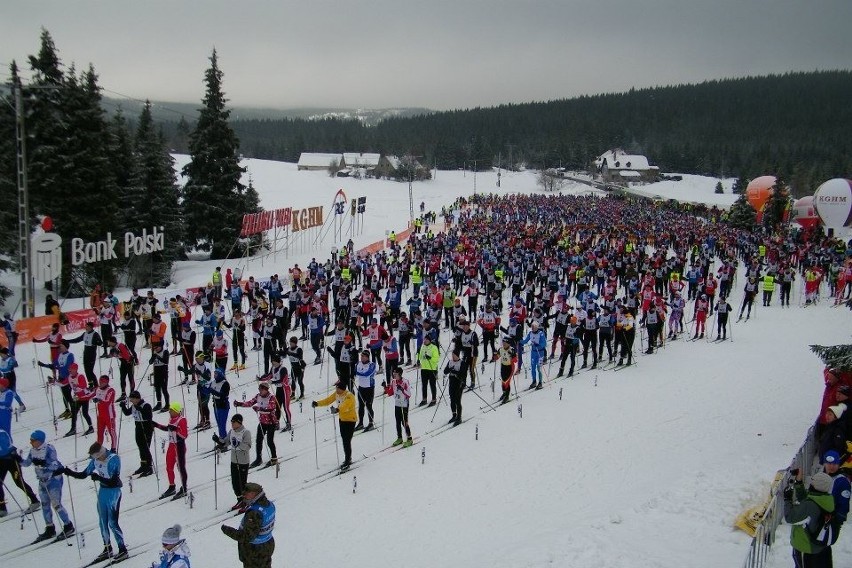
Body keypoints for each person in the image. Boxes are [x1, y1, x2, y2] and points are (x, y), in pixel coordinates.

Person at [58, 442, 128, 563]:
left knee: (112, 522)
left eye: (95, 456)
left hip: (113, 493)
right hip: (103, 492)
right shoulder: (96, 460)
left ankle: (122, 549)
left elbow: (114, 481)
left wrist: (99, 478)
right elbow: (84, 474)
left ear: (100, 453)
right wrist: (68, 471)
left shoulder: (113, 459)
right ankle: (107, 548)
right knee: (102, 522)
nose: (95, 459)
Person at [20, 429, 74, 542]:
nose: (31, 442)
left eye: (33, 440)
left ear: (39, 440)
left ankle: (68, 525)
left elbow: (55, 465)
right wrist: (17, 458)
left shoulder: (49, 449)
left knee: (56, 504)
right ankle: (50, 528)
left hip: (53, 480)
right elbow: (27, 463)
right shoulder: (33, 451)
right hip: (42, 481)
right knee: (45, 505)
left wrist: (44, 464)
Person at [783, 470, 836, 568]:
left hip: (806, 547)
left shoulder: (810, 506)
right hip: (819, 546)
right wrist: (798, 482)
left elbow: (790, 517)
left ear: (815, 486)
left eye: (812, 481)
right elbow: (807, 499)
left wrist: (787, 500)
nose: (810, 482)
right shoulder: (826, 499)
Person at [221, 482, 275, 568]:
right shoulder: (269, 505)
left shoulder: (254, 513)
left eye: (246, 493)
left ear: (254, 494)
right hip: (267, 546)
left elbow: (247, 537)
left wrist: (228, 531)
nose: (244, 495)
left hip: (254, 552)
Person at [312, 380, 357, 471]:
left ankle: (348, 460)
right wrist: (317, 403)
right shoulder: (337, 394)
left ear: (342, 389)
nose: (336, 389)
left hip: (350, 420)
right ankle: (348, 458)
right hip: (342, 420)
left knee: (346, 440)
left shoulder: (349, 396)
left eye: (337, 388)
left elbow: (345, 406)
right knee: (344, 440)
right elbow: (328, 400)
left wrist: (337, 410)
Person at [235, 383, 278, 469]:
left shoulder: (271, 398)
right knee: (258, 441)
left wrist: (259, 409)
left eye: (262, 390)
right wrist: (239, 404)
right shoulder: (258, 396)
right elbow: (250, 403)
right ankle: (258, 458)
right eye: (259, 389)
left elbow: (270, 409)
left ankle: (274, 458)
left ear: (266, 390)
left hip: (271, 422)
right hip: (262, 422)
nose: (260, 391)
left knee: (270, 441)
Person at [0, 428, 40, 517]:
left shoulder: (2, 433)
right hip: (3, 462)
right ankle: (2, 507)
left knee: (19, 481)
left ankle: (34, 500)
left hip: (11, 460)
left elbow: (5, 448)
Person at [154, 402, 189, 500]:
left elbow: (184, 435)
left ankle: (184, 487)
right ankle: (172, 486)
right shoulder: (172, 419)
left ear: (176, 411)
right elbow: (168, 428)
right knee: (169, 467)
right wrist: (156, 425)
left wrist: (176, 429)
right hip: (171, 445)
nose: (170, 412)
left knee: (180, 468)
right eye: (170, 410)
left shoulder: (182, 420)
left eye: (171, 410)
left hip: (179, 446)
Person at [120, 391, 154, 477]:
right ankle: (143, 465)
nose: (131, 401)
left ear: (137, 398)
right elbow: (127, 413)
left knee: (145, 447)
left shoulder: (146, 405)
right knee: (140, 447)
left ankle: (149, 467)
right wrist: (123, 406)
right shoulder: (134, 406)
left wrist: (140, 409)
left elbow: (148, 417)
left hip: (146, 427)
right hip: (138, 427)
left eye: (132, 399)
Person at [222, 414, 252, 510]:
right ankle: (239, 500)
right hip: (234, 460)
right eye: (231, 422)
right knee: (235, 483)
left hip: (243, 461)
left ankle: (246, 501)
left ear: (239, 422)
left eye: (234, 422)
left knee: (242, 483)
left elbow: (247, 446)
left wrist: (238, 444)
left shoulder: (246, 432)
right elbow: (226, 442)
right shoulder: (231, 432)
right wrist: (219, 442)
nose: (232, 424)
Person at [385, 367, 413, 446]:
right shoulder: (393, 381)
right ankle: (399, 438)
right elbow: (390, 393)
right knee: (397, 422)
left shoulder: (405, 382)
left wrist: (402, 390)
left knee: (404, 422)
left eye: (396, 374)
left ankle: (409, 439)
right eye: (393, 373)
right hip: (397, 403)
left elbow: (409, 394)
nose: (394, 375)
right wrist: (385, 387)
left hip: (404, 404)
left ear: (400, 374)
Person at [93, 374, 118, 452]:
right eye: (100, 381)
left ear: (107, 382)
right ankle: (98, 449)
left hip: (109, 415)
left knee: (112, 432)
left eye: (103, 382)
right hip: (100, 415)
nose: (101, 383)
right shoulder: (97, 389)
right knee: (99, 433)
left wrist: (99, 400)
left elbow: (107, 401)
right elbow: (89, 394)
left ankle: (113, 448)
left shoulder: (110, 390)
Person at [354, 349, 377, 431]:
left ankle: (371, 423)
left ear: (367, 357)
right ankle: (361, 423)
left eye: (363, 356)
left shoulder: (372, 365)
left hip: (369, 388)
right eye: (361, 356)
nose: (361, 358)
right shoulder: (358, 363)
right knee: (361, 406)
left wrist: (356, 373)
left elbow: (367, 374)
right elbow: (354, 370)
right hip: (361, 388)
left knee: (369, 406)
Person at [417, 335, 439, 406]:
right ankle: (424, 399)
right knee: (424, 384)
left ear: (429, 340)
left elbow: (436, 359)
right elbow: (420, 356)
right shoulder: (422, 347)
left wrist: (430, 358)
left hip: (432, 368)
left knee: (432, 384)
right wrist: (418, 359)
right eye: (424, 339)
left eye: (426, 339)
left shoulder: (434, 347)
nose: (425, 341)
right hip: (424, 368)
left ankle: (434, 399)